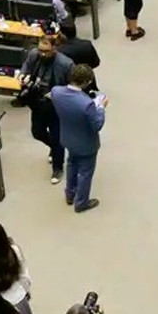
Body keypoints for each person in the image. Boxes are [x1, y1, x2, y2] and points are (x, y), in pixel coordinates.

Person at [17, 35, 76, 183]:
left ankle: (58, 168)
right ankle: (54, 149)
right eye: (41, 50)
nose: (42, 54)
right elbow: (26, 68)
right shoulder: (34, 55)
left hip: (56, 107)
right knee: (37, 132)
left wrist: (59, 94)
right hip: (37, 102)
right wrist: (23, 76)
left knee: (57, 139)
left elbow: (73, 87)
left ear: (55, 49)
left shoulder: (66, 64)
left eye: (47, 51)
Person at [52, 65, 105, 213]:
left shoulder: (56, 92)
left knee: (71, 164)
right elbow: (97, 125)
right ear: (87, 82)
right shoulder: (86, 104)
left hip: (67, 138)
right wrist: (100, 107)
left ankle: (70, 194)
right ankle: (81, 202)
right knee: (85, 172)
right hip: (86, 143)